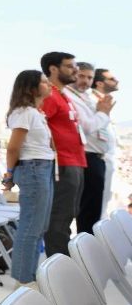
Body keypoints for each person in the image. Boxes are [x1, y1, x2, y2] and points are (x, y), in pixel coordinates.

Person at [2, 71, 55, 286]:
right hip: (33, 168)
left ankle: (28, 277)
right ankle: (22, 281)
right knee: (30, 226)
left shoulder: (34, 113)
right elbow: (13, 147)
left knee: (38, 226)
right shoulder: (25, 112)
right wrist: (9, 174)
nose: (49, 84)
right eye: (43, 81)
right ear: (32, 87)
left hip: (42, 167)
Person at [40, 51, 86, 257]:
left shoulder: (63, 95)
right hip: (63, 164)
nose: (75, 70)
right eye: (69, 66)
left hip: (75, 162)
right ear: (53, 69)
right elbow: (39, 126)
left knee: (68, 216)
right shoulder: (49, 94)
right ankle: (58, 271)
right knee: (59, 219)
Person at [64, 62, 115, 234]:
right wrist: (102, 113)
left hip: (97, 156)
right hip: (87, 156)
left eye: (89, 77)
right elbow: (87, 126)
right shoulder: (73, 97)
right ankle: (85, 251)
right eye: (82, 76)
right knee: (87, 209)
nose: (85, 81)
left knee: (94, 208)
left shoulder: (86, 98)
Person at [93, 68, 120, 217]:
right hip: (98, 158)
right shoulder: (93, 102)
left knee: (104, 204)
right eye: (111, 78)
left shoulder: (106, 102)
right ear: (99, 83)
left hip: (107, 159)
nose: (116, 81)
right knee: (95, 207)